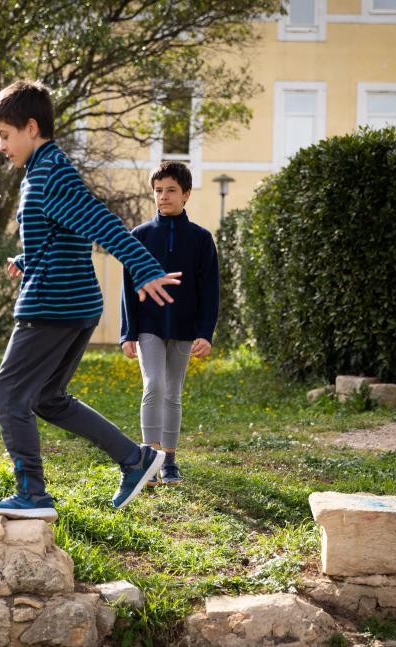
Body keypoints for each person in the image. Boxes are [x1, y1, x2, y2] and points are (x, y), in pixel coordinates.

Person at [0, 80, 182, 522]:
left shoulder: (52, 172)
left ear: (32, 127)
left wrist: (144, 267)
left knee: (9, 392)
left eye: (4, 135)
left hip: (52, 304)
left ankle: (31, 493)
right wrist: (25, 258)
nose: (1, 146)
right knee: (48, 397)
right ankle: (136, 458)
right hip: (71, 300)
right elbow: (59, 233)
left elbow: (99, 221)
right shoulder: (41, 170)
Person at [120, 161, 220, 485]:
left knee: (173, 393)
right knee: (155, 386)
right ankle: (148, 459)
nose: (163, 196)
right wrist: (128, 333)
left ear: (186, 194)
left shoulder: (202, 240)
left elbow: (210, 291)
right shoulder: (139, 236)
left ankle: (170, 462)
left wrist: (205, 333)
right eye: (158, 190)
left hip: (184, 329)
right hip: (149, 326)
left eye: (171, 190)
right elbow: (128, 288)